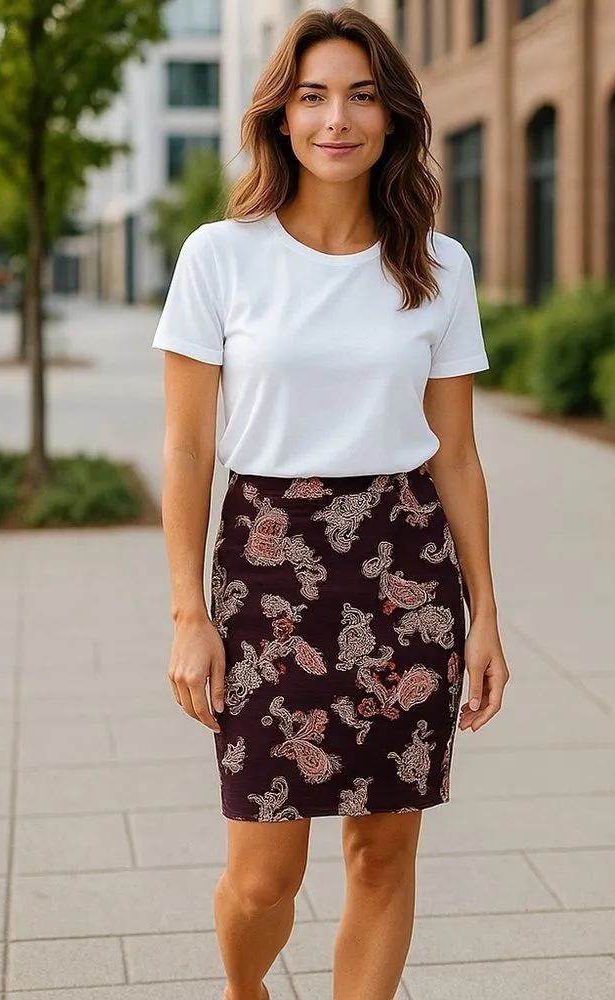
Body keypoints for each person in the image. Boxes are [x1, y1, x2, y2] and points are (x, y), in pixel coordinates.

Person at [152, 8, 510, 1000]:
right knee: (264, 873)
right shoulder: (219, 256)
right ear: (281, 116)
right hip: (266, 569)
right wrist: (189, 614)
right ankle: (245, 989)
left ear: (393, 118)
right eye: (312, 95)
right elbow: (186, 451)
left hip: (408, 573)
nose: (335, 118)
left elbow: (460, 457)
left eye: (359, 95)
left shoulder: (439, 267)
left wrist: (484, 618)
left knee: (380, 857)